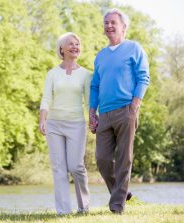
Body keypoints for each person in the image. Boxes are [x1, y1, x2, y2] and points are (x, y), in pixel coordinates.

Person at [89, 8, 150, 214]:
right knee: (102, 159)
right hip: (104, 114)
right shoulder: (101, 56)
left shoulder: (134, 48)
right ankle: (122, 191)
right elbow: (95, 86)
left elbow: (143, 77)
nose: (109, 25)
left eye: (113, 22)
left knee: (125, 158)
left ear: (124, 27)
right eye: (106, 22)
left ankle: (117, 206)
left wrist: (135, 104)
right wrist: (92, 112)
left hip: (126, 109)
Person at [39, 32, 91, 215]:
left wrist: (93, 118)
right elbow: (46, 98)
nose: (75, 46)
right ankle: (63, 211)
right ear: (62, 48)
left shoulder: (86, 74)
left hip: (76, 124)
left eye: (77, 44)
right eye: (71, 44)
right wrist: (42, 120)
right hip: (54, 124)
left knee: (76, 166)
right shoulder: (52, 73)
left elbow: (89, 101)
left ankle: (83, 207)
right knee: (59, 168)